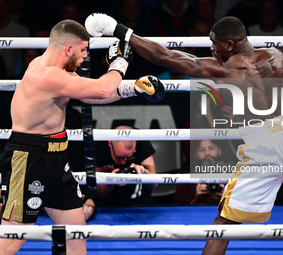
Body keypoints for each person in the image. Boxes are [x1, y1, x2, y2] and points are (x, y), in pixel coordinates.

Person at [85, 14, 283, 253]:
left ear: (229, 44)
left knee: (223, 221)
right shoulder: (277, 56)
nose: (211, 49)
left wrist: (118, 30)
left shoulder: (227, 70)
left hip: (266, 145)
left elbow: (166, 57)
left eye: (214, 44)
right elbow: (275, 99)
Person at [0, 19, 164, 255]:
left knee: (76, 233)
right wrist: (119, 62)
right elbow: (102, 89)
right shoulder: (45, 75)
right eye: (83, 50)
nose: (85, 56)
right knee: (13, 237)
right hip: (29, 159)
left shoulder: (59, 72)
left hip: (57, 158)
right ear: (68, 49)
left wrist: (134, 88)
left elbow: (93, 95)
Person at [83, 125, 157, 220]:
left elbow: (154, 183)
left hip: (139, 204)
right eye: (119, 157)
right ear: (110, 143)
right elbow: (100, 192)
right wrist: (110, 182)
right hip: (108, 205)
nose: (123, 162)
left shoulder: (141, 141)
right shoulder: (99, 146)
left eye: (128, 157)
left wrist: (143, 172)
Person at [174, 140, 226, 205]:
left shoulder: (232, 175)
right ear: (195, 155)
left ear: (219, 151)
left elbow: (240, 209)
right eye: (201, 150)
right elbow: (178, 210)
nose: (207, 153)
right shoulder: (186, 178)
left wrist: (224, 201)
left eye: (211, 148)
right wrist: (196, 200)